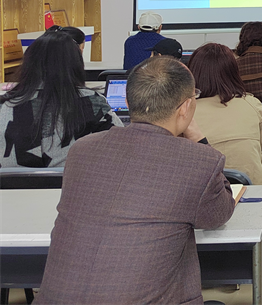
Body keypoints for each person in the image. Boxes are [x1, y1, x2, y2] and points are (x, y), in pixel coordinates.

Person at [35, 56, 235, 305]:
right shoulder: (199, 160)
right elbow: (219, 213)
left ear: (128, 102)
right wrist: (199, 140)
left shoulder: (82, 150)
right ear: (185, 107)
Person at [188, 43, 262, 299]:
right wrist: (257, 166)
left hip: (199, 214)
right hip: (254, 205)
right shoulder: (249, 103)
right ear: (233, 71)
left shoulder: (184, 112)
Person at [0, 31, 121, 168]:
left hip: (10, 181)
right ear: (76, 64)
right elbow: (122, 143)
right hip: (73, 180)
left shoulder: (4, 105)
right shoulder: (92, 101)